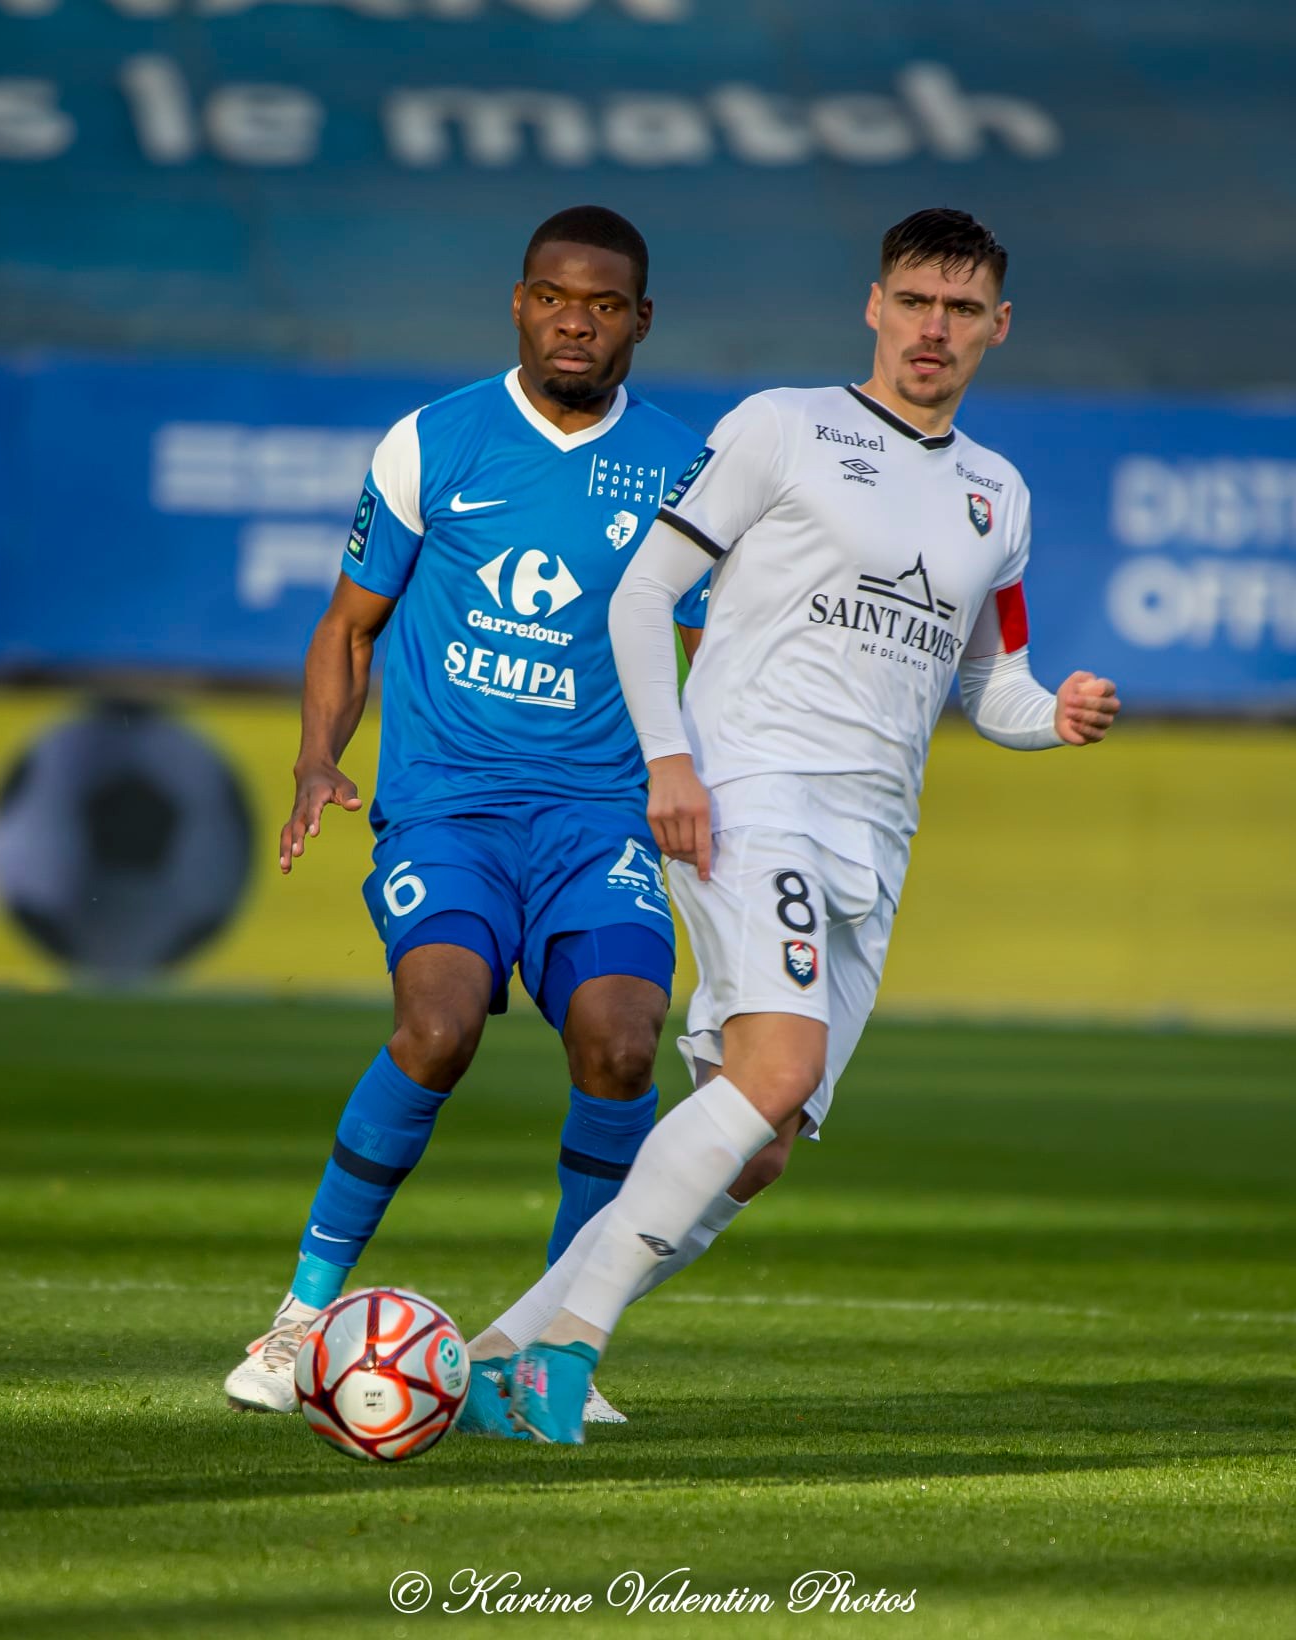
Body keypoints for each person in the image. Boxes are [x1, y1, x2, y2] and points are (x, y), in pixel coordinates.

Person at [489, 206, 1122, 1444]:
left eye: (959, 309)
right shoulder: (782, 426)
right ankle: (566, 1354)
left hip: (873, 839)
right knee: (772, 1071)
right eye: (913, 301)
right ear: (873, 307)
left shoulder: (999, 495)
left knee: (760, 1143)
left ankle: (497, 1345)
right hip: (751, 791)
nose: (932, 329)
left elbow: (988, 682)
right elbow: (643, 591)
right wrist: (670, 761)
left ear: (997, 327)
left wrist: (1061, 714)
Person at [223, 206, 707, 1424]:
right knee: (437, 1027)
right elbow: (349, 624)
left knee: (622, 1044)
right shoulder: (433, 441)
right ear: (518, 302)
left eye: (603, 305)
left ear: (640, 320)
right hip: (449, 807)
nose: (576, 322)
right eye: (555, 296)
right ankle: (298, 1321)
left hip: (598, 817)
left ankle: (553, 1344)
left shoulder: (686, 474)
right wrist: (315, 759)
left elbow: (710, 655)